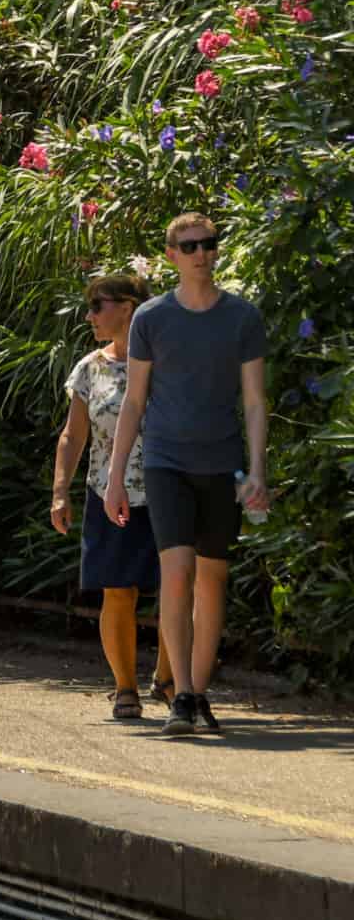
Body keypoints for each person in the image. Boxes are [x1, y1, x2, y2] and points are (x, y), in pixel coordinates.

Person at [105, 213, 269, 735]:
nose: (202, 253)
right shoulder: (151, 319)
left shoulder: (242, 318)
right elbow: (133, 401)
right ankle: (178, 697)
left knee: (212, 579)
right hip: (165, 461)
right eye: (190, 245)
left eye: (209, 244)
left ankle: (198, 690)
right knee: (176, 574)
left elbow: (254, 401)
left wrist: (258, 471)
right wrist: (115, 478)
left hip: (220, 463)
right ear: (172, 254)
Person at [51, 274, 171, 719]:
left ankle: (167, 679)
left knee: (176, 589)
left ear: (127, 307)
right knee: (118, 591)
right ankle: (125, 688)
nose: (90, 316)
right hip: (110, 493)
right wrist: (59, 492)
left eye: (97, 306)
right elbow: (72, 434)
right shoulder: (90, 367)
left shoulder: (166, 361)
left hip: (167, 489)